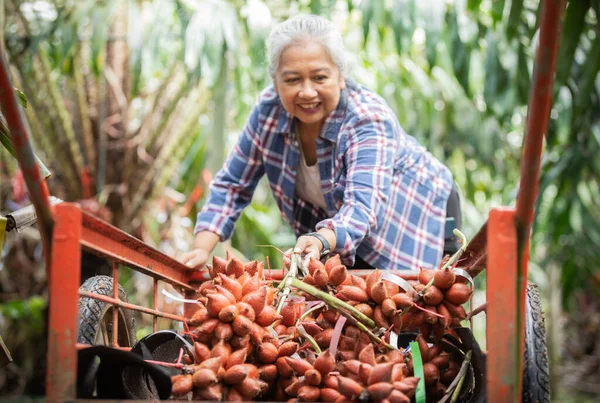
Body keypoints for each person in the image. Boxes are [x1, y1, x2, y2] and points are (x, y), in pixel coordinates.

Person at [179, 14, 454, 272]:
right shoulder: (268, 112)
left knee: (413, 311)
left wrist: (321, 241)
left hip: (415, 216)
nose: (307, 91)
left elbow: (363, 207)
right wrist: (202, 249)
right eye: (292, 79)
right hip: (335, 235)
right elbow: (232, 185)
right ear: (275, 82)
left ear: (341, 76)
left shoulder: (367, 119)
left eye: (320, 77)